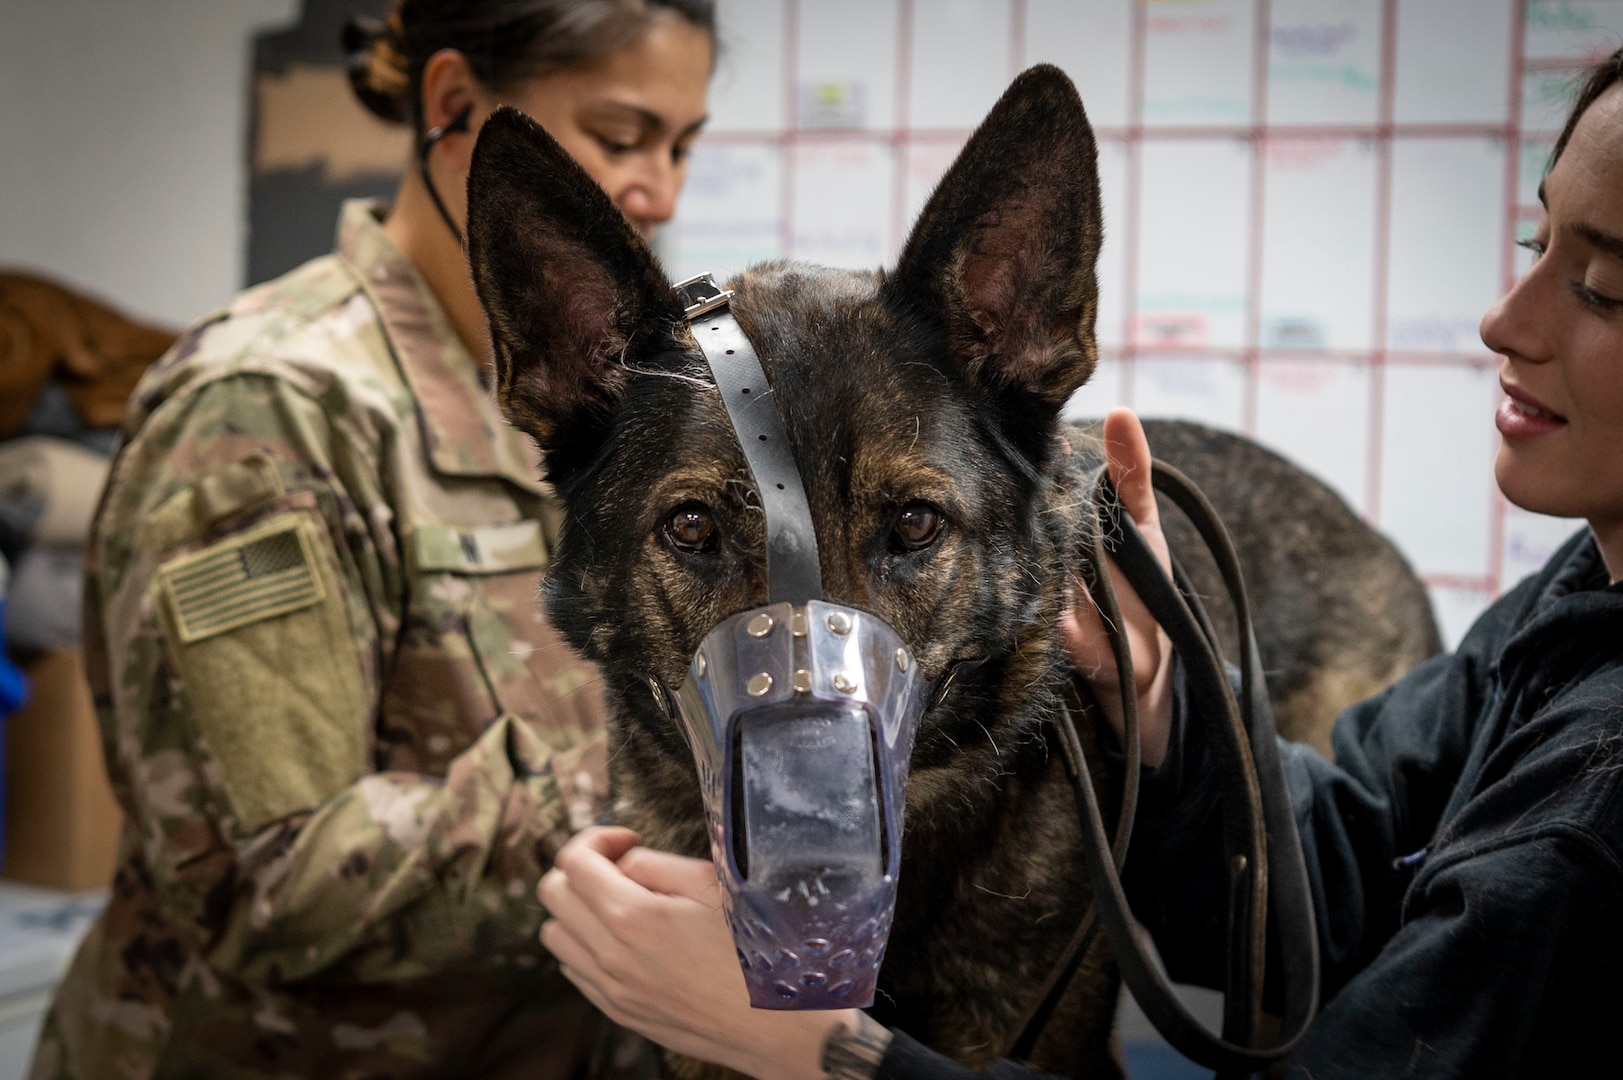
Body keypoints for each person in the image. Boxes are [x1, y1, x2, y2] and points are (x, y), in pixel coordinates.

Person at [535, 47, 1623, 1080]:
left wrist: (825, 1056)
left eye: (1609, 289)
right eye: (1536, 248)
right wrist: (1163, 711)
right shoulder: (1570, 609)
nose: (1500, 321)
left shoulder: (1593, 809)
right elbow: (1348, 872)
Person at [29, 3, 714, 1078]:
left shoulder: (596, 397)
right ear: (453, 106)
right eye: (619, 138)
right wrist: (668, 762)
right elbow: (264, 877)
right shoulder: (268, 410)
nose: (660, 189)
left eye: (682, 145)